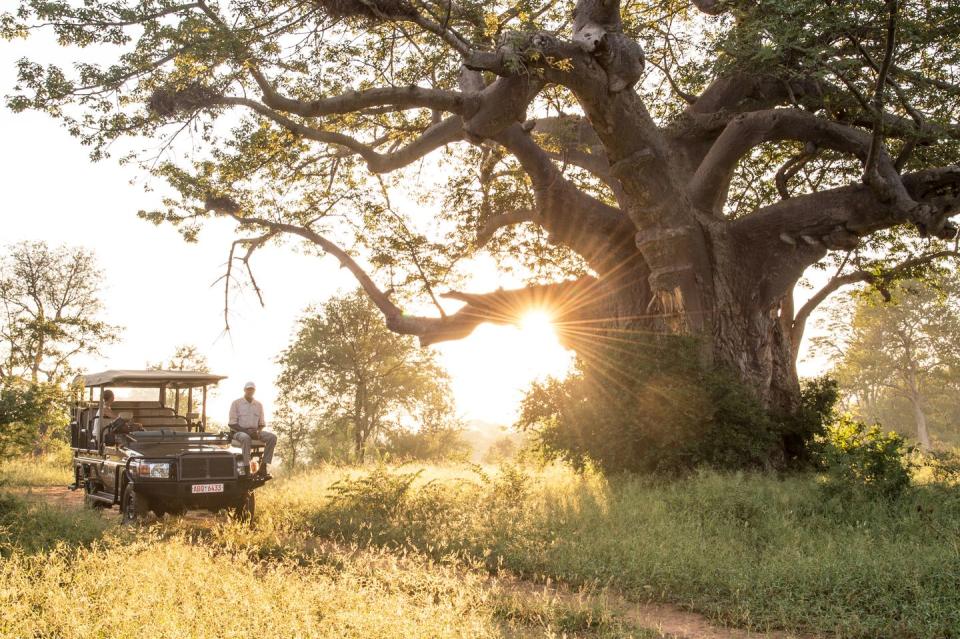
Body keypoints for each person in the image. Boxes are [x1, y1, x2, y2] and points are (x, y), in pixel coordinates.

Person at [228, 381, 276, 477]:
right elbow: (232, 424)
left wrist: (257, 431)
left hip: (254, 431)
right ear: (245, 390)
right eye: (248, 389)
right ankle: (247, 468)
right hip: (239, 432)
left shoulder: (258, 405)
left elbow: (261, 423)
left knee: (272, 437)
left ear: (254, 391)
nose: (250, 391)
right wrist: (248, 432)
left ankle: (263, 466)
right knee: (246, 438)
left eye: (252, 389)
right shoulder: (236, 403)